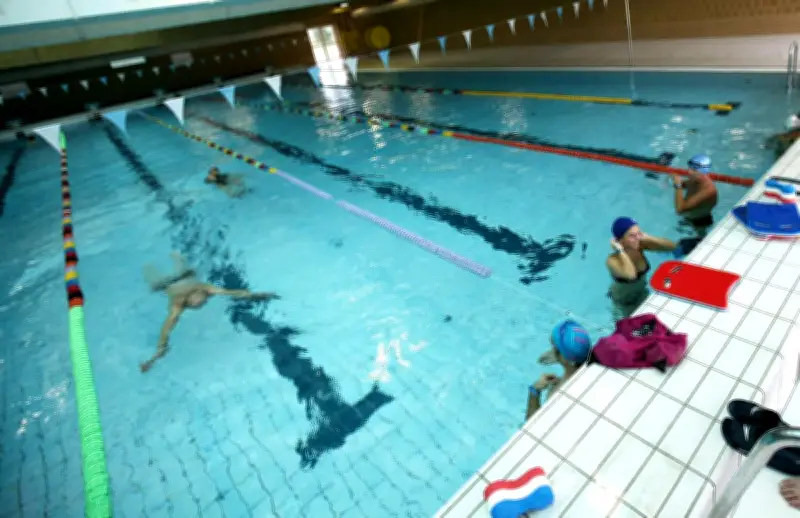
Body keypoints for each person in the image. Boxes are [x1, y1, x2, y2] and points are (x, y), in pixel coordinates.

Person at [140, 252, 279, 373]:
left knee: (182, 269)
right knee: (154, 279)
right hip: (169, 283)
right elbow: (166, 329)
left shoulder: (205, 289)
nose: (204, 303)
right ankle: (154, 263)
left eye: (205, 301)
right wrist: (155, 356)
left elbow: (233, 293)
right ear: (187, 303)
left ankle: (169, 259)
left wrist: (257, 295)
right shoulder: (178, 303)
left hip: (182, 277)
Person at [607, 217, 676, 320]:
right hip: (624, 302)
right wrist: (620, 250)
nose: (637, 238)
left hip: (642, 292)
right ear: (619, 240)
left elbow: (672, 246)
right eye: (632, 236)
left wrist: (649, 238)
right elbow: (631, 275)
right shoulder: (612, 260)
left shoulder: (640, 246)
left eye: (638, 233)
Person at [525, 320, 592, 419]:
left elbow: (533, 427)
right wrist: (559, 356)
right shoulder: (591, 368)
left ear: (569, 360)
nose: (552, 350)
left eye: (555, 348)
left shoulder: (558, 395)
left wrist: (534, 391)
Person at [672, 154, 718, 240]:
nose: (689, 172)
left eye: (694, 169)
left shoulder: (708, 190)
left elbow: (680, 209)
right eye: (690, 168)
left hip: (700, 220)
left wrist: (678, 185)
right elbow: (684, 184)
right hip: (690, 216)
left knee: (701, 239)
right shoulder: (695, 179)